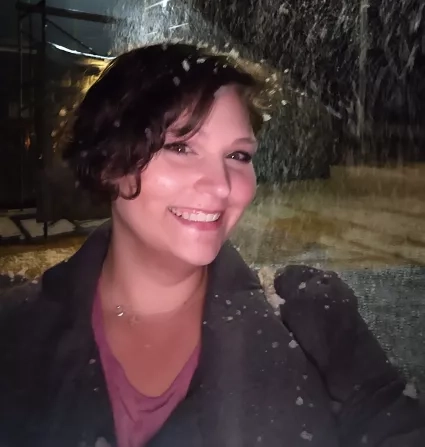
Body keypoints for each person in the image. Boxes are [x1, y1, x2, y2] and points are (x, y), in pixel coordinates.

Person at [0, 43, 423, 447]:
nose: (221, 186)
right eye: (182, 147)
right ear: (111, 162)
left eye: (238, 156)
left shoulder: (312, 321)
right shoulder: (16, 331)